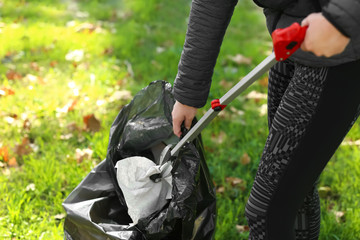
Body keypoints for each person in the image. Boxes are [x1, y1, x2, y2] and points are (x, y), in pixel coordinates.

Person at [171, 0, 360, 239]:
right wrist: (188, 94)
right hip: (293, 36)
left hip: (342, 51)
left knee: (267, 211)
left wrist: (343, 20)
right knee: (295, 189)